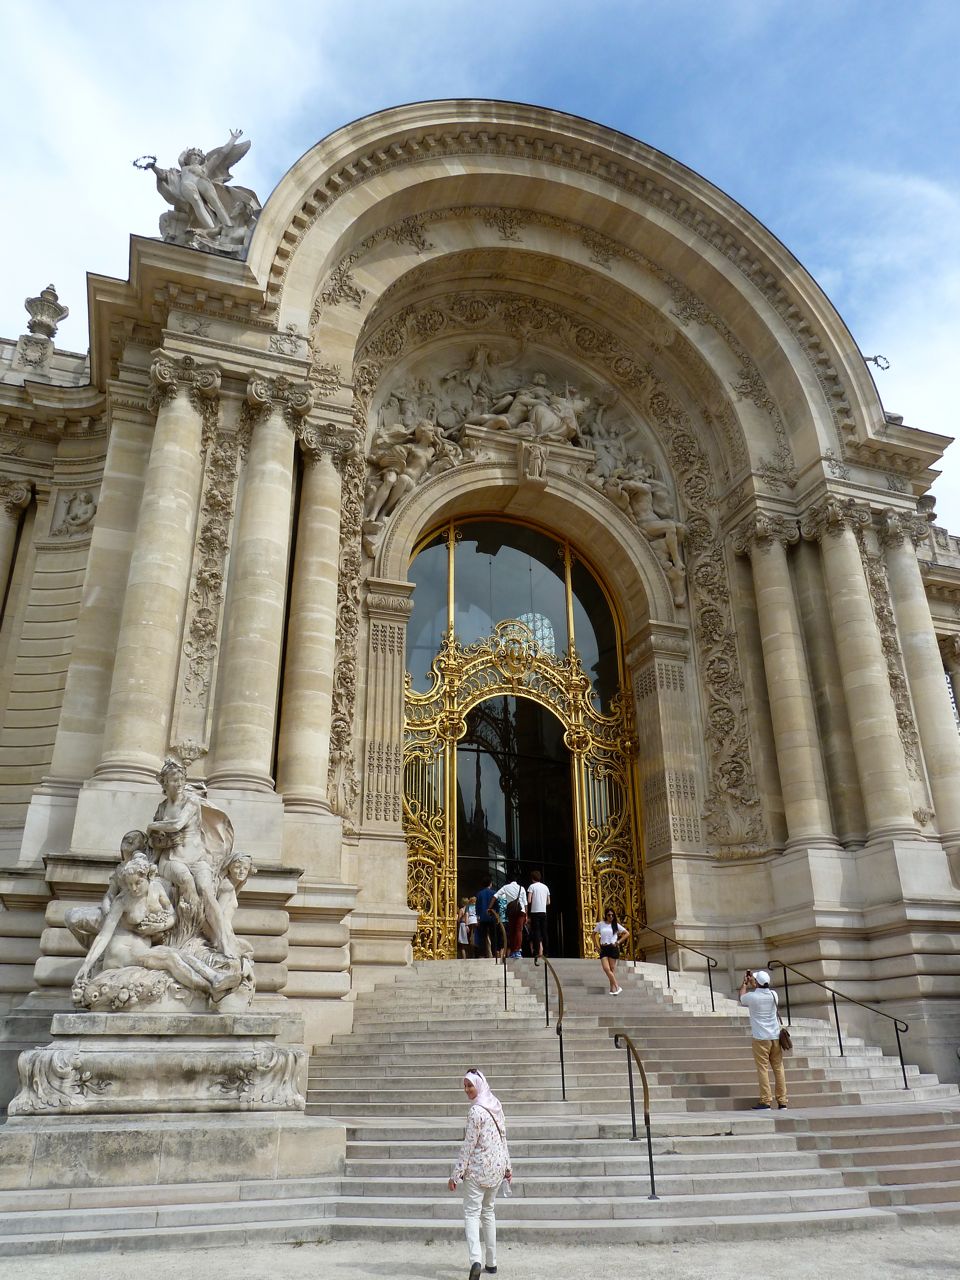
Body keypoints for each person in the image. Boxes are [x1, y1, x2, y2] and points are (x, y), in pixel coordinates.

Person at [448, 1068, 512, 1280]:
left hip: (477, 1171)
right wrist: (508, 1167)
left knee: (472, 1213)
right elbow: (503, 1138)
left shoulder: (475, 1111)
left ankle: (475, 1260)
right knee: (489, 1212)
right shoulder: (496, 1105)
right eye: (465, 1086)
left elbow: (468, 1145)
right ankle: (492, 1262)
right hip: (496, 1170)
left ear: (479, 1085)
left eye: (470, 1085)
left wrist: (455, 1174)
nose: (467, 1089)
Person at [739, 968, 788, 1110]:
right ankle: (782, 1101)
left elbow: (742, 997)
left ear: (757, 982)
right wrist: (755, 983)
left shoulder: (752, 997)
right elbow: (762, 988)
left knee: (763, 1069)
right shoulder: (774, 994)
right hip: (775, 1037)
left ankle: (765, 1100)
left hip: (761, 1038)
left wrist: (745, 983)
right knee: (779, 1069)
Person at [594, 908, 629, 994]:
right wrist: (597, 947)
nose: (611, 917)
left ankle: (612, 989)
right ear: (605, 915)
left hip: (612, 947)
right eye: (609, 915)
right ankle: (617, 986)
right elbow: (593, 935)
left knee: (612, 969)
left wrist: (618, 942)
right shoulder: (601, 924)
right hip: (603, 948)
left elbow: (627, 933)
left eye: (612, 915)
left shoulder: (616, 925)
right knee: (606, 968)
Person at [494, 873, 528, 959]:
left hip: (511, 912)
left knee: (512, 931)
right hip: (521, 911)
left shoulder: (505, 887)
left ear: (508, 880)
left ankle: (513, 951)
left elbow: (495, 896)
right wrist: (526, 915)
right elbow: (525, 903)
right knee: (519, 931)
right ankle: (518, 951)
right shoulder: (522, 888)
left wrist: (489, 907)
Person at [526, 870, 551, 958]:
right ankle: (546, 951)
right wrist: (542, 903)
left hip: (535, 912)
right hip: (543, 912)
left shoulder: (531, 886)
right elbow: (549, 902)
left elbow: (529, 900)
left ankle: (537, 951)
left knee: (536, 931)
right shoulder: (545, 887)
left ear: (532, 878)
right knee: (544, 931)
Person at [474, 877, 497, 958]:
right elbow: (496, 905)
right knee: (493, 936)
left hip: (483, 917)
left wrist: (477, 917)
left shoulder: (479, 894)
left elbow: (477, 907)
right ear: (490, 884)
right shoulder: (494, 893)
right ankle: (494, 953)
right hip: (492, 916)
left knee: (482, 936)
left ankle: (482, 953)